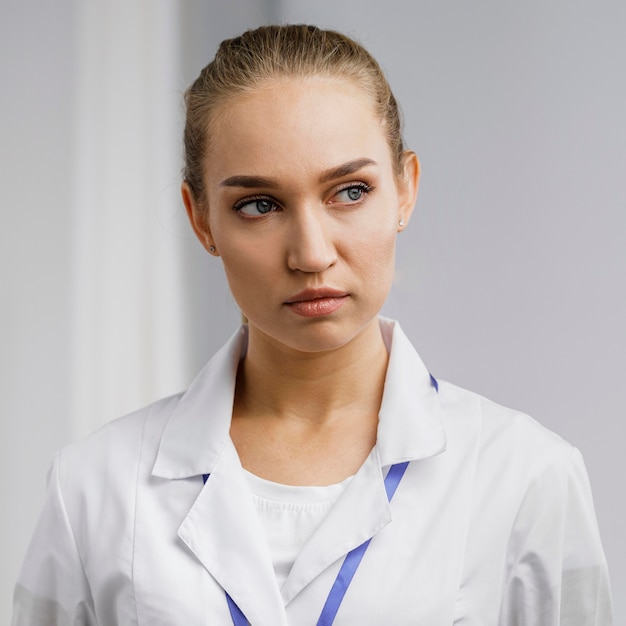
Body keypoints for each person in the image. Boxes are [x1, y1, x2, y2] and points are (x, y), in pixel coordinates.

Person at [12, 24, 612, 625]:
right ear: (201, 222)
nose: (311, 252)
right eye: (259, 205)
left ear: (405, 191)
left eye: (350, 192)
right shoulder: (93, 488)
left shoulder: (526, 477)